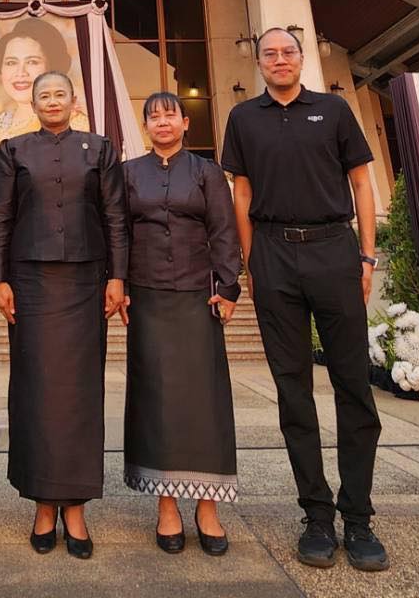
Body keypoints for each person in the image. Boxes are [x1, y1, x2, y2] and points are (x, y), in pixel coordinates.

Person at [221, 28, 388, 573]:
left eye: (287, 52)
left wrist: (367, 255)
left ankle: (358, 518)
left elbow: (362, 183)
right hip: (273, 254)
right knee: (293, 391)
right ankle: (316, 514)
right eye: (269, 54)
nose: (279, 60)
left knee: (352, 386)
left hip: (334, 251)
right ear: (259, 64)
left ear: (303, 58)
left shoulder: (335, 110)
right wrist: (251, 264)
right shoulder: (244, 118)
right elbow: (240, 193)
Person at [0, 70, 128, 559]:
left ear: (73, 100)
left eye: (59, 94)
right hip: (30, 282)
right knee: (36, 389)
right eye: (43, 94)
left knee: (80, 393)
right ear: (33, 99)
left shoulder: (100, 148)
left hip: (87, 282)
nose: (51, 101)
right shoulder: (12, 150)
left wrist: (117, 276)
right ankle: (43, 503)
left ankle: (76, 507)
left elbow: (115, 216)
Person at [123, 92, 241, 556]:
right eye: (154, 116)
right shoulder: (129, 173)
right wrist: (118, 285)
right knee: (157, 397)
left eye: (170, 114)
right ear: (147, 126)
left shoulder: (207, 173)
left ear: (185, 122)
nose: (163, 122)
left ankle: (208, 506)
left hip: (197, 296)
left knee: (204, 398)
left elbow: (224, 230)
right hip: (147, 296)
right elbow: (119, 231)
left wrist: (228, 287)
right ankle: (166, 505)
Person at [0, 19, 88, 145]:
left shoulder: (74, 125)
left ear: (51, 67)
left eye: (32, 62)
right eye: (11, 63)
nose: (21, 73)